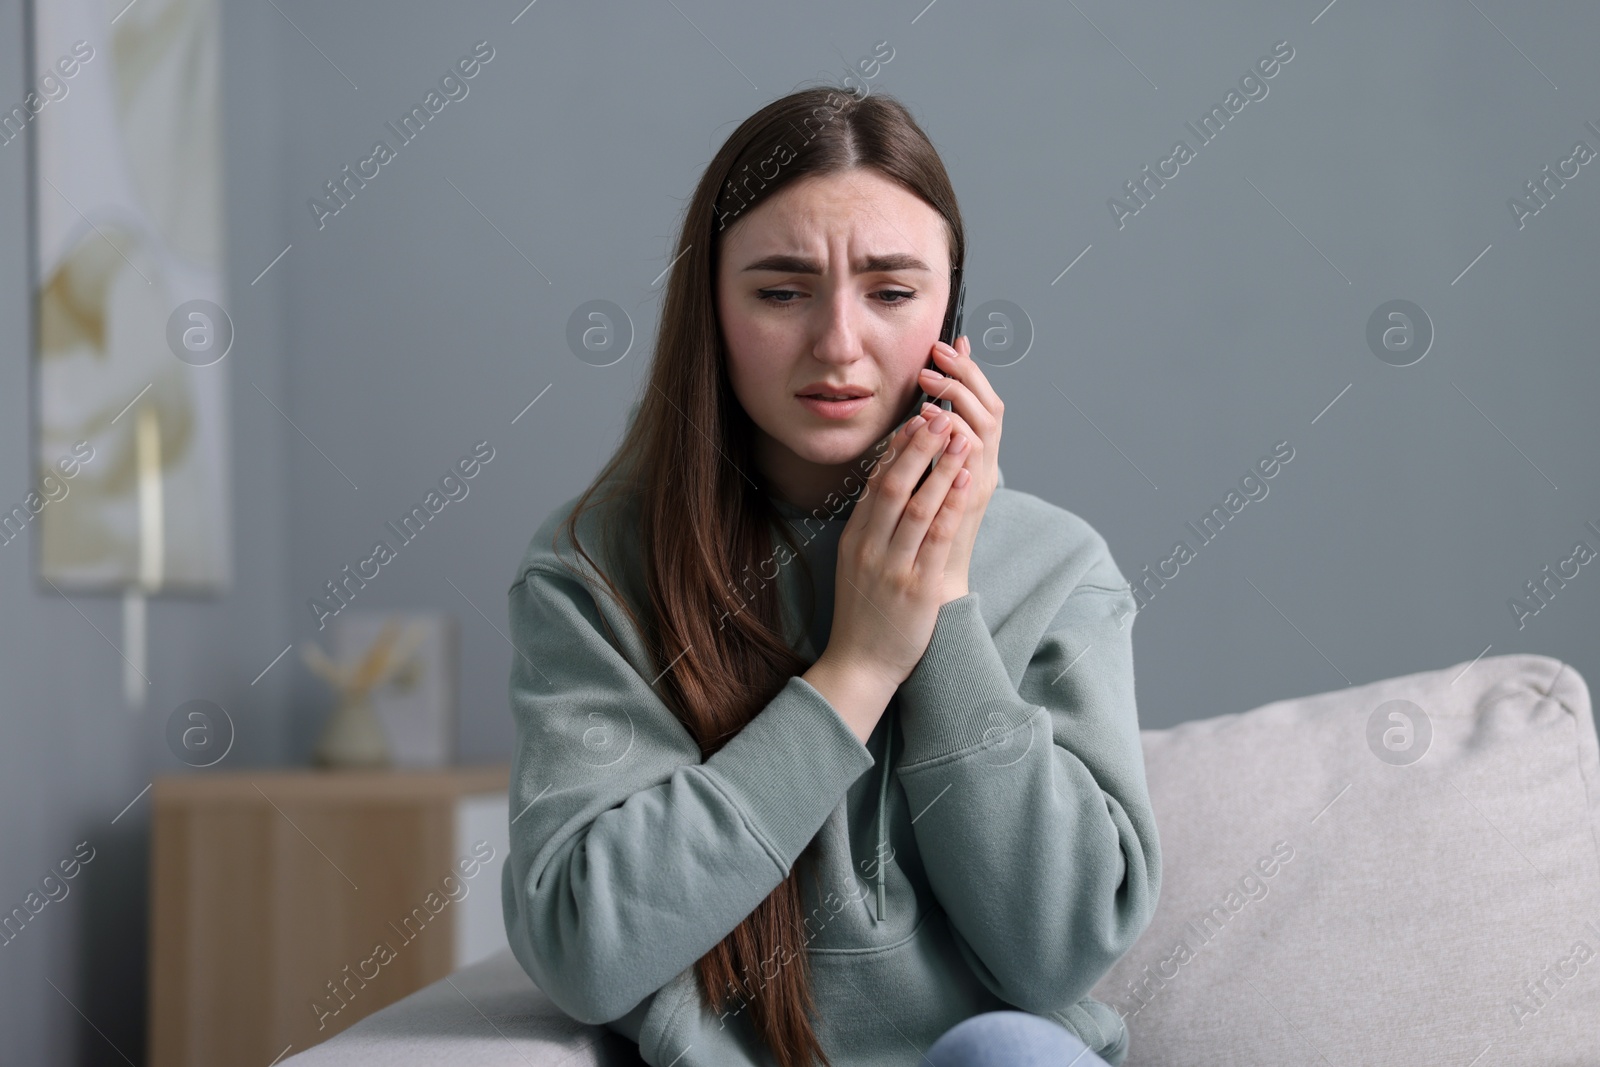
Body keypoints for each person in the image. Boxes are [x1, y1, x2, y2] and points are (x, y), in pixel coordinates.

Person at [502, 84, 1161, 1067]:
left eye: (891, 292)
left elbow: (1056, 951)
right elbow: (588, 952)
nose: (838, 345)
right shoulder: (594, 569)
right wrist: (854, 667)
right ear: (709, 308)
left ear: (951, 310)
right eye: (780, 291)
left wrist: (937, 606)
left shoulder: (1058, 568)